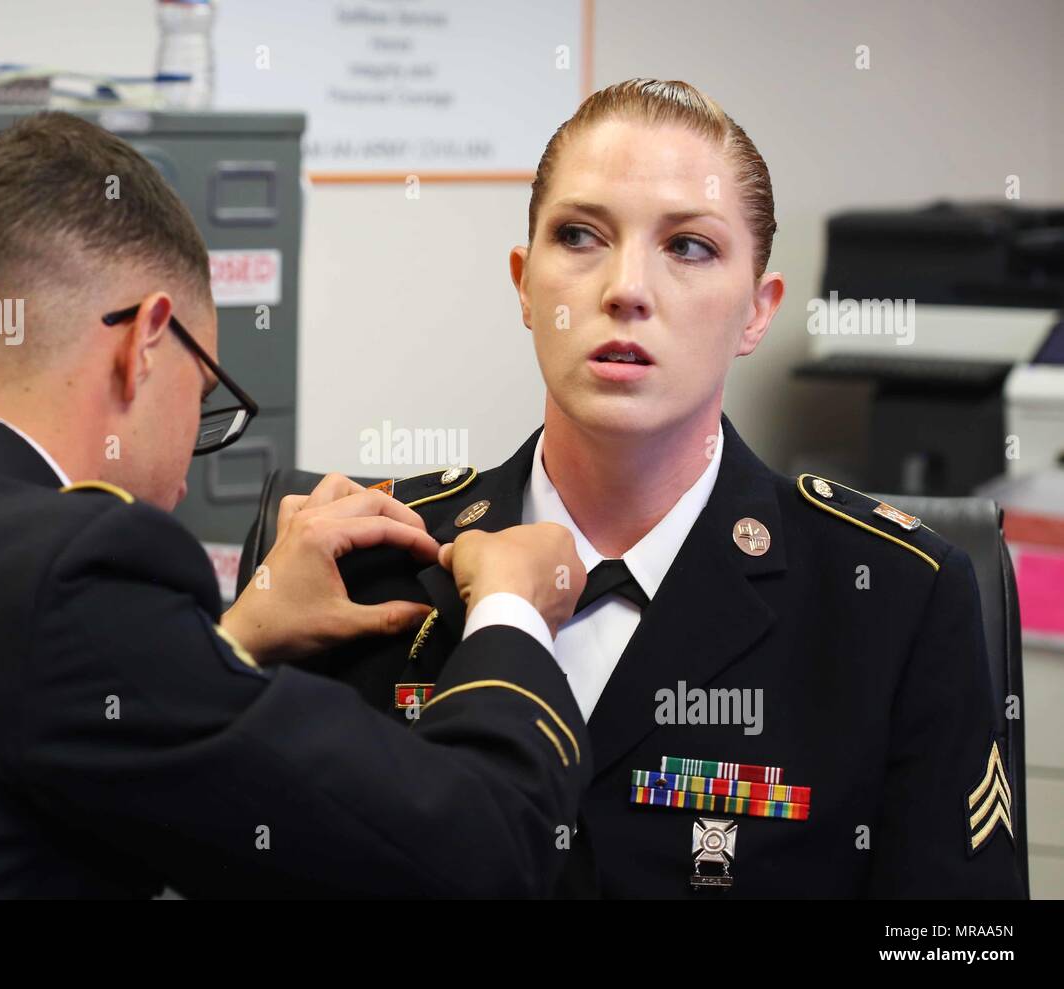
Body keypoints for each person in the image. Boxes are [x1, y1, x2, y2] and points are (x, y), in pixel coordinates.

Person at [0, 112, 591, 898]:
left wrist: (230, 640)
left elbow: (9, 719)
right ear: (143, 343)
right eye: (203, 401)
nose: (188, 481)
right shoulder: (77, 576)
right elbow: (472, 855)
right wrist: (514, 613)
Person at [302, 79, 1025, 898]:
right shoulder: (375, 560)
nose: (626, 288)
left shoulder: (891, 597)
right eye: (579, 235)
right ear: (524, 286)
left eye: (688, 247)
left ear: (757, 310)